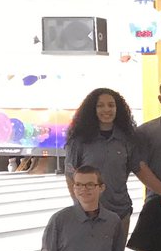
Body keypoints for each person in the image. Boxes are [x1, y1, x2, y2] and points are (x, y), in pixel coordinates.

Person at [64, 88, 154, 231]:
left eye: (111, 105)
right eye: (100, 105)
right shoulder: (79, 141)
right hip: (89, 211)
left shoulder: (127, 139)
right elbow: (70, 176)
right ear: (92, 110)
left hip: (120, 211)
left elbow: (139, 169)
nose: (106, 109)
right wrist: (79, 206)